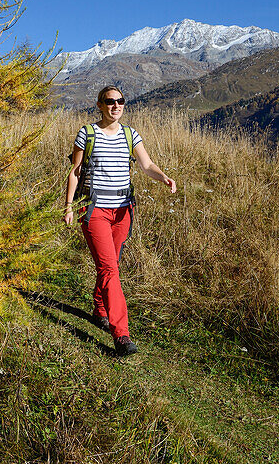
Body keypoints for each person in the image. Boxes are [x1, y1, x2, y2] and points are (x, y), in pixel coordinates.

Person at [64, 85, 177, 356]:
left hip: (123, 211)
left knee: (111, 264)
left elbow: (146, 165)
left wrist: (163, 177)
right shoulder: (87, 133)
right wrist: (68, 206)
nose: (116, 106)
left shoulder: (130, 134)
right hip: (94, 210)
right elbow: (75, 172)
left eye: (121, 101)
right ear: (100, 105)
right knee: (109, 269)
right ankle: (121, 334)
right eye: (110, 102)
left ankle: (100, 310)